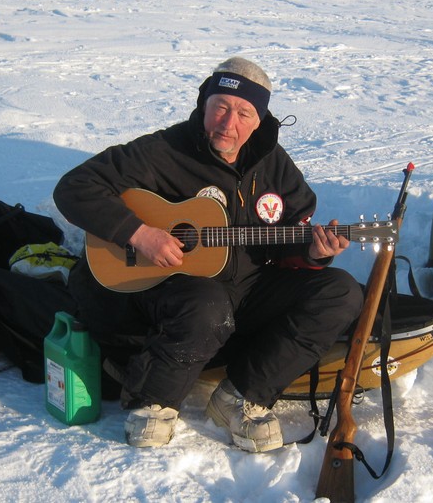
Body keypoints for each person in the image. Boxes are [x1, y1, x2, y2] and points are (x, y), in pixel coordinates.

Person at [53, 57, 364, 452]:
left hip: (247, 287)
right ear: (204, 104)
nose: (227, 122)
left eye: (243, 113)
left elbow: (292, 233)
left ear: (259, 120)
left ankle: (242, 395)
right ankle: (154, 403)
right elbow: (75, 186)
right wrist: (140, 233)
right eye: (220, 106)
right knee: (207, 302)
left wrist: (315, 253)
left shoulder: (274, 163)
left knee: (341, 291)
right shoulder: (163, 151)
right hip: (170, 291)